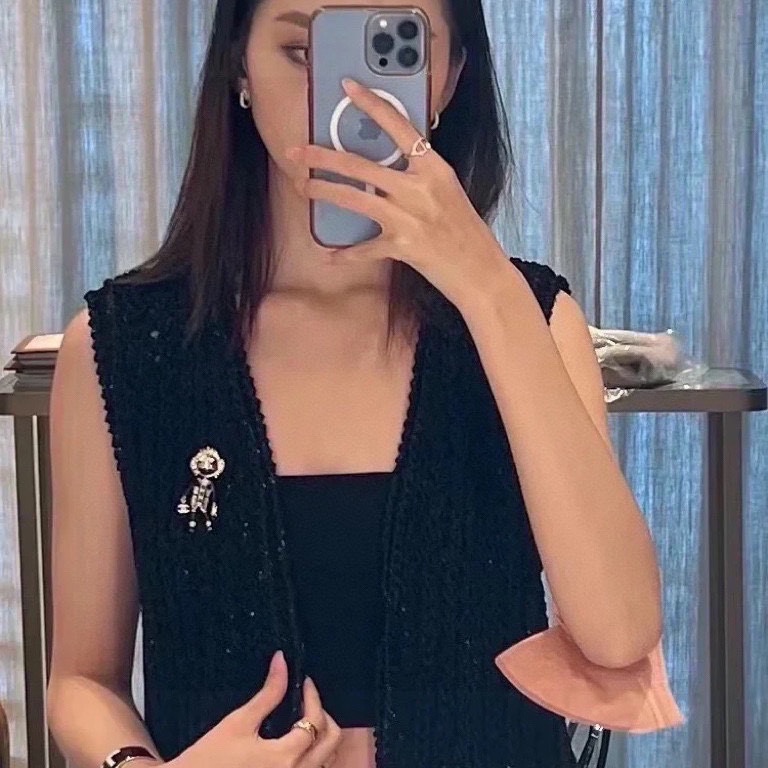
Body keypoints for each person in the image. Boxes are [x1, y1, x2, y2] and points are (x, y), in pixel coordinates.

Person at [45, 1, 681, 767]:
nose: (342, 95)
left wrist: (488, 288)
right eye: (300, 51)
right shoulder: (122, 347)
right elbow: (82, 680)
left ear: (449, 80)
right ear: (239, 66)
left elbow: (618, 634)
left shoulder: (530, 318)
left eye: (393, 52)